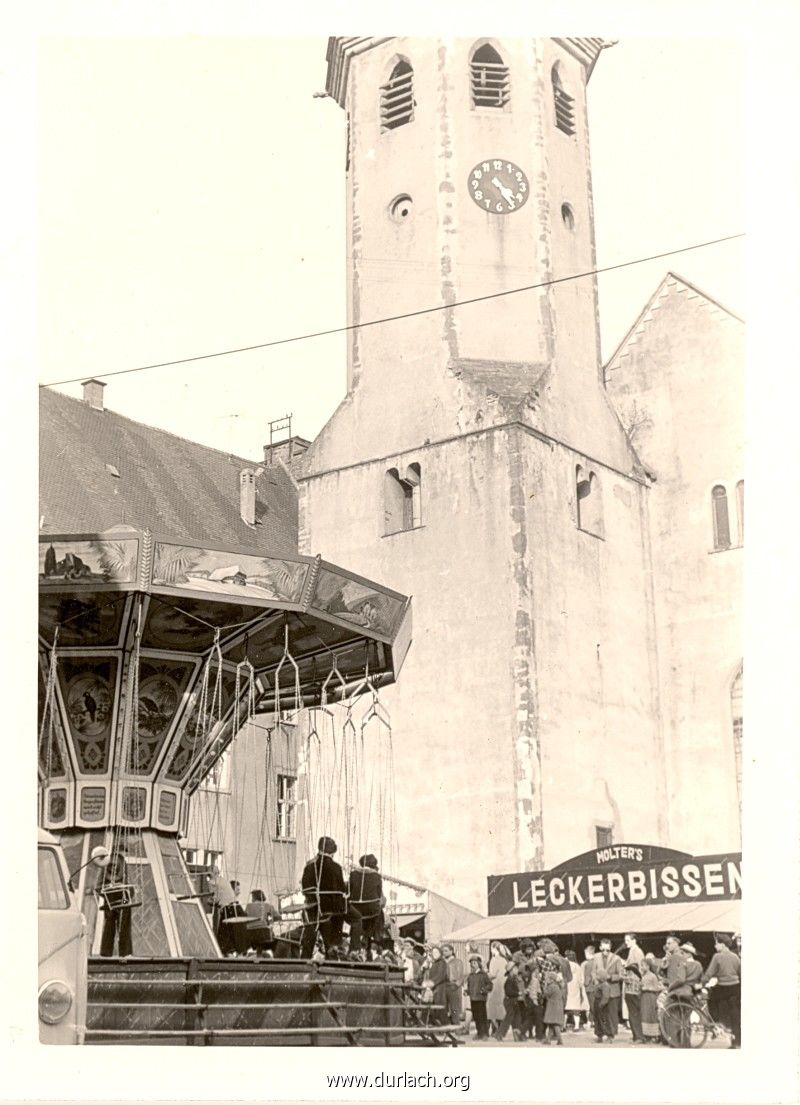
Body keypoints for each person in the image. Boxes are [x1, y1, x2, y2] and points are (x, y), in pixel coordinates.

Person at [300, 836, 351, 958]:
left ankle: (304, 962)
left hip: (313, 909)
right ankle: (333, 952)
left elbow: (304, 887)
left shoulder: (309, 866)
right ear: (332, 852)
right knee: (330, 943)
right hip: (330, 911)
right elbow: (341, 890)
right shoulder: (336, 868)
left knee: (309, 939)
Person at [703, 933, 741, 1048]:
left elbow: (709, 973)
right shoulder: (735, 957)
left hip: (723, 987)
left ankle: (716, 1027)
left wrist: (701, 983)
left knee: (711, 1001)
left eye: (716, 943)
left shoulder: (717, 956)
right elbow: (741, 973)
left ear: (723, 945)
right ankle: (737, 1042)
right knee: (735, 1014)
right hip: (735, 987)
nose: (715, 946)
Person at [98, 850, 133, 957]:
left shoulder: (122, 865)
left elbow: (129, 885)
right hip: (110, 897)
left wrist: (125, 890)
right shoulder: (106, 868)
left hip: (123, 896)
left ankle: (125, 953)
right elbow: (99, 885)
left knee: (123, 925)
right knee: (109, 924)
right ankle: (106, 952)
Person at [348, 853, 385, 948]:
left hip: (355, 908)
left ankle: (357, 938)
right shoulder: (377, 876)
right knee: (379, 912)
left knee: (357, 916)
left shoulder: (352, 874)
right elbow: (379, 895)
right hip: (371, 910)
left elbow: (349, 891)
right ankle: (370, 936)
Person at [591, 938, 623, 1041]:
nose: (605, 952)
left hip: (612, 991)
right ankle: (599, 1035)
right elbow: (593, 972)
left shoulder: (616, 958)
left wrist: (610, 977)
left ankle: (611, 1035)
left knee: (611, 1015)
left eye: (607, 950)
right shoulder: (595, 957)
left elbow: (621, 975)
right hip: (600, 991)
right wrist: (596, 982)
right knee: (599, 1014)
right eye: (603, 950)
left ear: (610, 948)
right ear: (600, 948)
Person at [465, 955, 493, 1040]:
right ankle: (479, 1033)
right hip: (473, 999)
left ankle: (484, 1034)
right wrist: (467, 992)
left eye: (474, 963)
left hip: (481, 999)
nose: (472, 965)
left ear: (479, 964)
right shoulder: (470, 976)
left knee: (482, 1016)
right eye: (471, 963)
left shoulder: (483, 975)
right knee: (476, 1017)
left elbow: (490, 985)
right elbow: (469, 986)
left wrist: (483, 990)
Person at [487, 942, 510, 1037]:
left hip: (495, 986)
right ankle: (500, 1029)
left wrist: (485, 975)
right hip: (503, 985)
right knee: (501, 1007)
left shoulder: (494, 960)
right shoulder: (504, 960)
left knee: (492, 1007)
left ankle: (494, 1029)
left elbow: (492, 974)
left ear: (494, 949)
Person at [422, 945, 448, 1025]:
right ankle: (436, 1024)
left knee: (439, 1005)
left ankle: (442, 1025)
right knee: (433, 1005)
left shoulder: (442, 962)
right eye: (433, 952)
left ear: (440, 953)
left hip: (439, 988)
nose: (434, 954)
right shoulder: (434, 963)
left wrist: (431, 983)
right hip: (434, 987)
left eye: (436, 952)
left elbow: (440, 975)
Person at [640, 955, 664, 1043]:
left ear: (648, 966)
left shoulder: (653, 976)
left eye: (643, 965)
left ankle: (653, 1035)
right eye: (641, 965)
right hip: (644, 997)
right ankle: (646, 1035)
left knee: (651, 1016)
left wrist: (648, 988)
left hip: (651, 997)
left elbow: (657, 988)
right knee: (644, 1015)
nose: (642, 967)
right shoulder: (643, 975)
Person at [442, 944, 465, 1026]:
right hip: (444, 986)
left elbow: (461, 975)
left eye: (446, 951)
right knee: (443, 1007)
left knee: (455, 1008)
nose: (444, 953)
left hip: (454, 986)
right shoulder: (442, 961)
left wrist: (456, 985)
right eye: (443, 951)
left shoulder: (457, 961)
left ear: (451, 951)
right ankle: (445, 1027)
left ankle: (456, 1026)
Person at [564, 948, 587, 1031]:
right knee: (576, 1008)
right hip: (575, 988)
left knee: (565, 1008)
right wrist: (581, 987)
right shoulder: (577, 966)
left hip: (566, 987)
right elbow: (581, 979)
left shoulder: (564, 965)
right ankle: (576, 1026)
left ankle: (563, 1026)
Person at [543, 967, 566, 1044]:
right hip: (557, 1006)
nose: (546, 980)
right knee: (552, 1024)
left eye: (547, 978)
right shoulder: (557, 986)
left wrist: (545, 986)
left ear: (551, 979)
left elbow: (546, 994)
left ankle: (560, 1040)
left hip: (553, 1007)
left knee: (555, 1024)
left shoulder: (552, 986)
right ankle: (548, 1039)